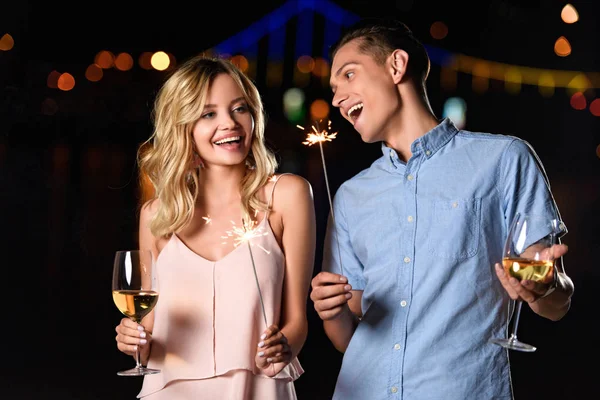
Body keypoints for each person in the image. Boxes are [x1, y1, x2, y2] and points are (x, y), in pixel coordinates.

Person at [310, 18, 575, 400]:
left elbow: (558, 304)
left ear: (396, 66)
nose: (336, 99)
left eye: (348, 75)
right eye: (333, 89)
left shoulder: (503, 159)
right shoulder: (351, 195)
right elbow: (346, 339)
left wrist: (542, 288)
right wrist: (331, 312)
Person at [115, 55, 316, 399]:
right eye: (209, 114)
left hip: (255, 388)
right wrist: (132, 340)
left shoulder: (288, 195)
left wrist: (285, 345)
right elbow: (148, 333)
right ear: (184, 127)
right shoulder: (156, 216)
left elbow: (297, 321)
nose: (230, 123)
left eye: (239, 108)